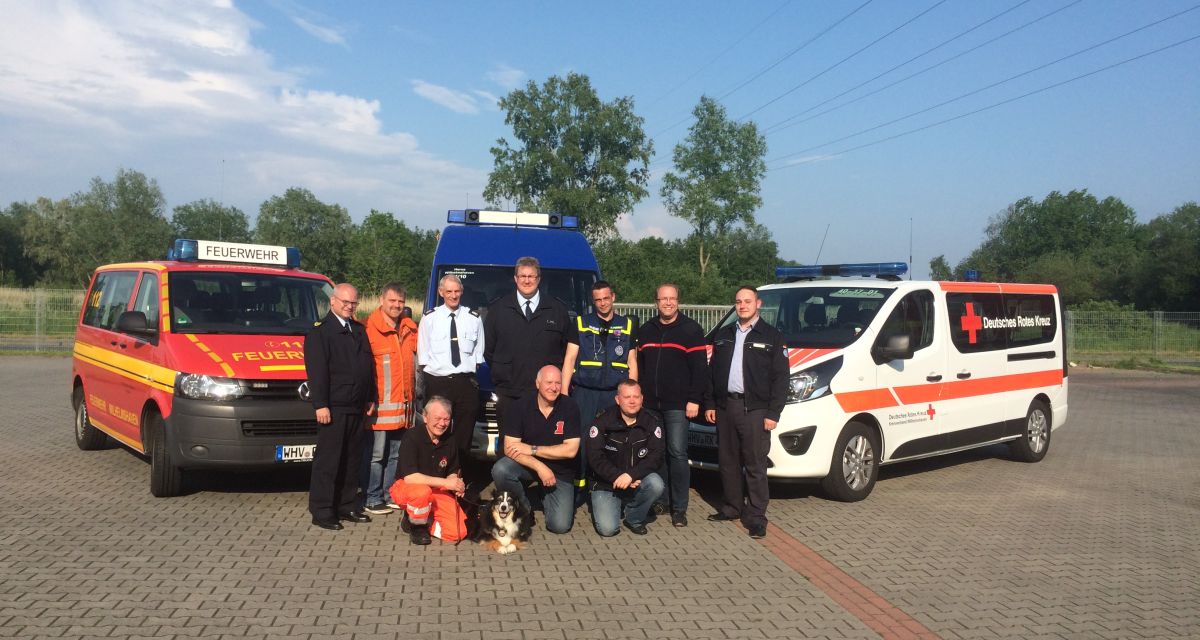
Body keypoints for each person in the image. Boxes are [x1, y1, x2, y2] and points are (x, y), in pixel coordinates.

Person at [704, 286, 789, 539]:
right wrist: (710, 403)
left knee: (754, 464)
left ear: (758, 304)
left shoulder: (772, 336)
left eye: (747, 301)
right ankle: (731, 507)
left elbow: (781, 378)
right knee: (728, 462)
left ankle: (756, 517)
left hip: (755, 409)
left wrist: (773, 413)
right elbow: (712, 373)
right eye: (738, 302)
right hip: (725, 406)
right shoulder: (724, 334)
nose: (742, 306)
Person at [484, 257, 579, 445]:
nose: (527, 281)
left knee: (546, 443)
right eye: (522, 276)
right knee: (509, 445)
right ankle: (507, 475)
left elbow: (565, 350)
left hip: (546, 394)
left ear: (539, 279)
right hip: (510, 392)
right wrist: (504, 371)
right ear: (515, 278)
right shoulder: (498, 309)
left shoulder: (557, 310)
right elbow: (488, 350)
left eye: (531, 276)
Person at [304, 283, 376, 531]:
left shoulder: (357, 330)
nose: (349, 306)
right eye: (345, 302)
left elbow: (368, 368)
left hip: (356, 405)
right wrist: (320, 404)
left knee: (351, 458)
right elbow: (317, 372)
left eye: (353, 303)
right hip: (333, 407)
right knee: (329, 460)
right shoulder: (320, 333)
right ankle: (322, 510)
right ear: (332, 302)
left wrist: (370, 397)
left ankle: (346, 505)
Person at [636, 282, 708, 528]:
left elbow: (700, 369)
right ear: (656, 302)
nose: (668, 303)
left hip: (679, 404)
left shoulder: (691, 330)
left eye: (672, 298)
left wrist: (694, 399)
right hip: (651, 405)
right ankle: (662, 500)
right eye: (663, 299)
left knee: (677, 453)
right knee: (658, 454)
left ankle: (679, 507)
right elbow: (641, 366)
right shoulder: (646, 330)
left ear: (678, 301)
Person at [490, 365, 581, 534]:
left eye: (558, 383)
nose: (554, 387)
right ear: (537, 383)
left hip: (561, 471)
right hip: (530, 467)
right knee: (501, 469)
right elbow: (510, 448)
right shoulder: (519, 407)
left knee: (559, 526)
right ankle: (523, 509)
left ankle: (543, 493)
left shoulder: (570, 407)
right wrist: (540, 467)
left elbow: (571, 451)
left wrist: (532, 449)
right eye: (549, 382)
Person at [562, 281, 638, 483]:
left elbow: (632, 362)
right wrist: (563, 393)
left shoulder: (628, 325)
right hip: (585, 391)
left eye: (606, 298)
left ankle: (610, 481)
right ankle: (579, 482)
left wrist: (632, 394)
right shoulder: (580, 323)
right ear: (593, 301)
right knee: (581, 437)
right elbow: (569, 359)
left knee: (615, 437)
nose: (602, 303)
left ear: (613, 297)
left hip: (614, 392)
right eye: (598, 300)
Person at [360, 282, 418, 515]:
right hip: (379, 407)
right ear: (381, 300)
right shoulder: (368, 329)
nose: (396, 306)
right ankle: (371, 497)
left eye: (400, 302)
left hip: (404, 407)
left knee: (396, 454)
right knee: (375, 455)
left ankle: (387, 493)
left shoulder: (410, 329)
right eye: (392, 301)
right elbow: (364, 370)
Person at [418, 274, 484, 463]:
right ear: (441, 292)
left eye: (456, 291)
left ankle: (459, 478)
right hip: (438, 383)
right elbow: (423, 356)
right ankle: (435, 476)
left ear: (462, 292)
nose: (453, 295)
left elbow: (478, 356)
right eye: (449, 291)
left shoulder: (474, 318)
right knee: (436, 432)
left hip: (465, 383)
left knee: (464, 436)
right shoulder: (430, 319)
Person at [586, 379, 664, 536]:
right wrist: (618, 476)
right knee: (608, 530)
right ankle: (618, 504)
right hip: (606, 483)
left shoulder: (652, 422)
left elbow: (656, 457)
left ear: (642, 398)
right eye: (627, 397)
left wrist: (631, 475)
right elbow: (595, 458)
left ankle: (634, 517)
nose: (632, 401)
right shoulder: (602, 421)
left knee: (656, 484)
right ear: (617, 399)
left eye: (636, 396)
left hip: (636, 479)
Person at [389, 397, 468, 545]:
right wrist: (446, 482)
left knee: (458, 532)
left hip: (437, 489)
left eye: (446, 419)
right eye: (437, 418)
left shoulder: (450, 439)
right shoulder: (412, 437)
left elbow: (452, 470)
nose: (442, 424)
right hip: (407, 488)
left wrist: (456, 483)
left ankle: (426, 520)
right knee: (421, 492)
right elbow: (410, 478)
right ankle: (417, 527)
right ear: (425, 417)